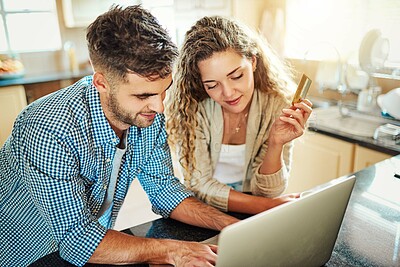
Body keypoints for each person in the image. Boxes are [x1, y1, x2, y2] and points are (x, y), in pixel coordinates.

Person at [0, 6, 239, 267]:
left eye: (163, 91)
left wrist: (235, 228)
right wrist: (172, 251)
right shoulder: (47, 129)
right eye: (143, 96)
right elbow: (78, 241)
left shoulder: (146, 114)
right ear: (101, 83)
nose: (159, 107)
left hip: (93, 247)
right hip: (26, 255)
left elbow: (165, 191)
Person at [166, 16, 313, 215]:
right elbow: (199, 185)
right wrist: (264, 206)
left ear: (253, 61)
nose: (228, 93)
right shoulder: (192, 107)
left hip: (253, 206)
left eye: (236, 76)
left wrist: (276, 143)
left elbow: (270, 192)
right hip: (203, 210)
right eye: (212, 85)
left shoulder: (277, 105)